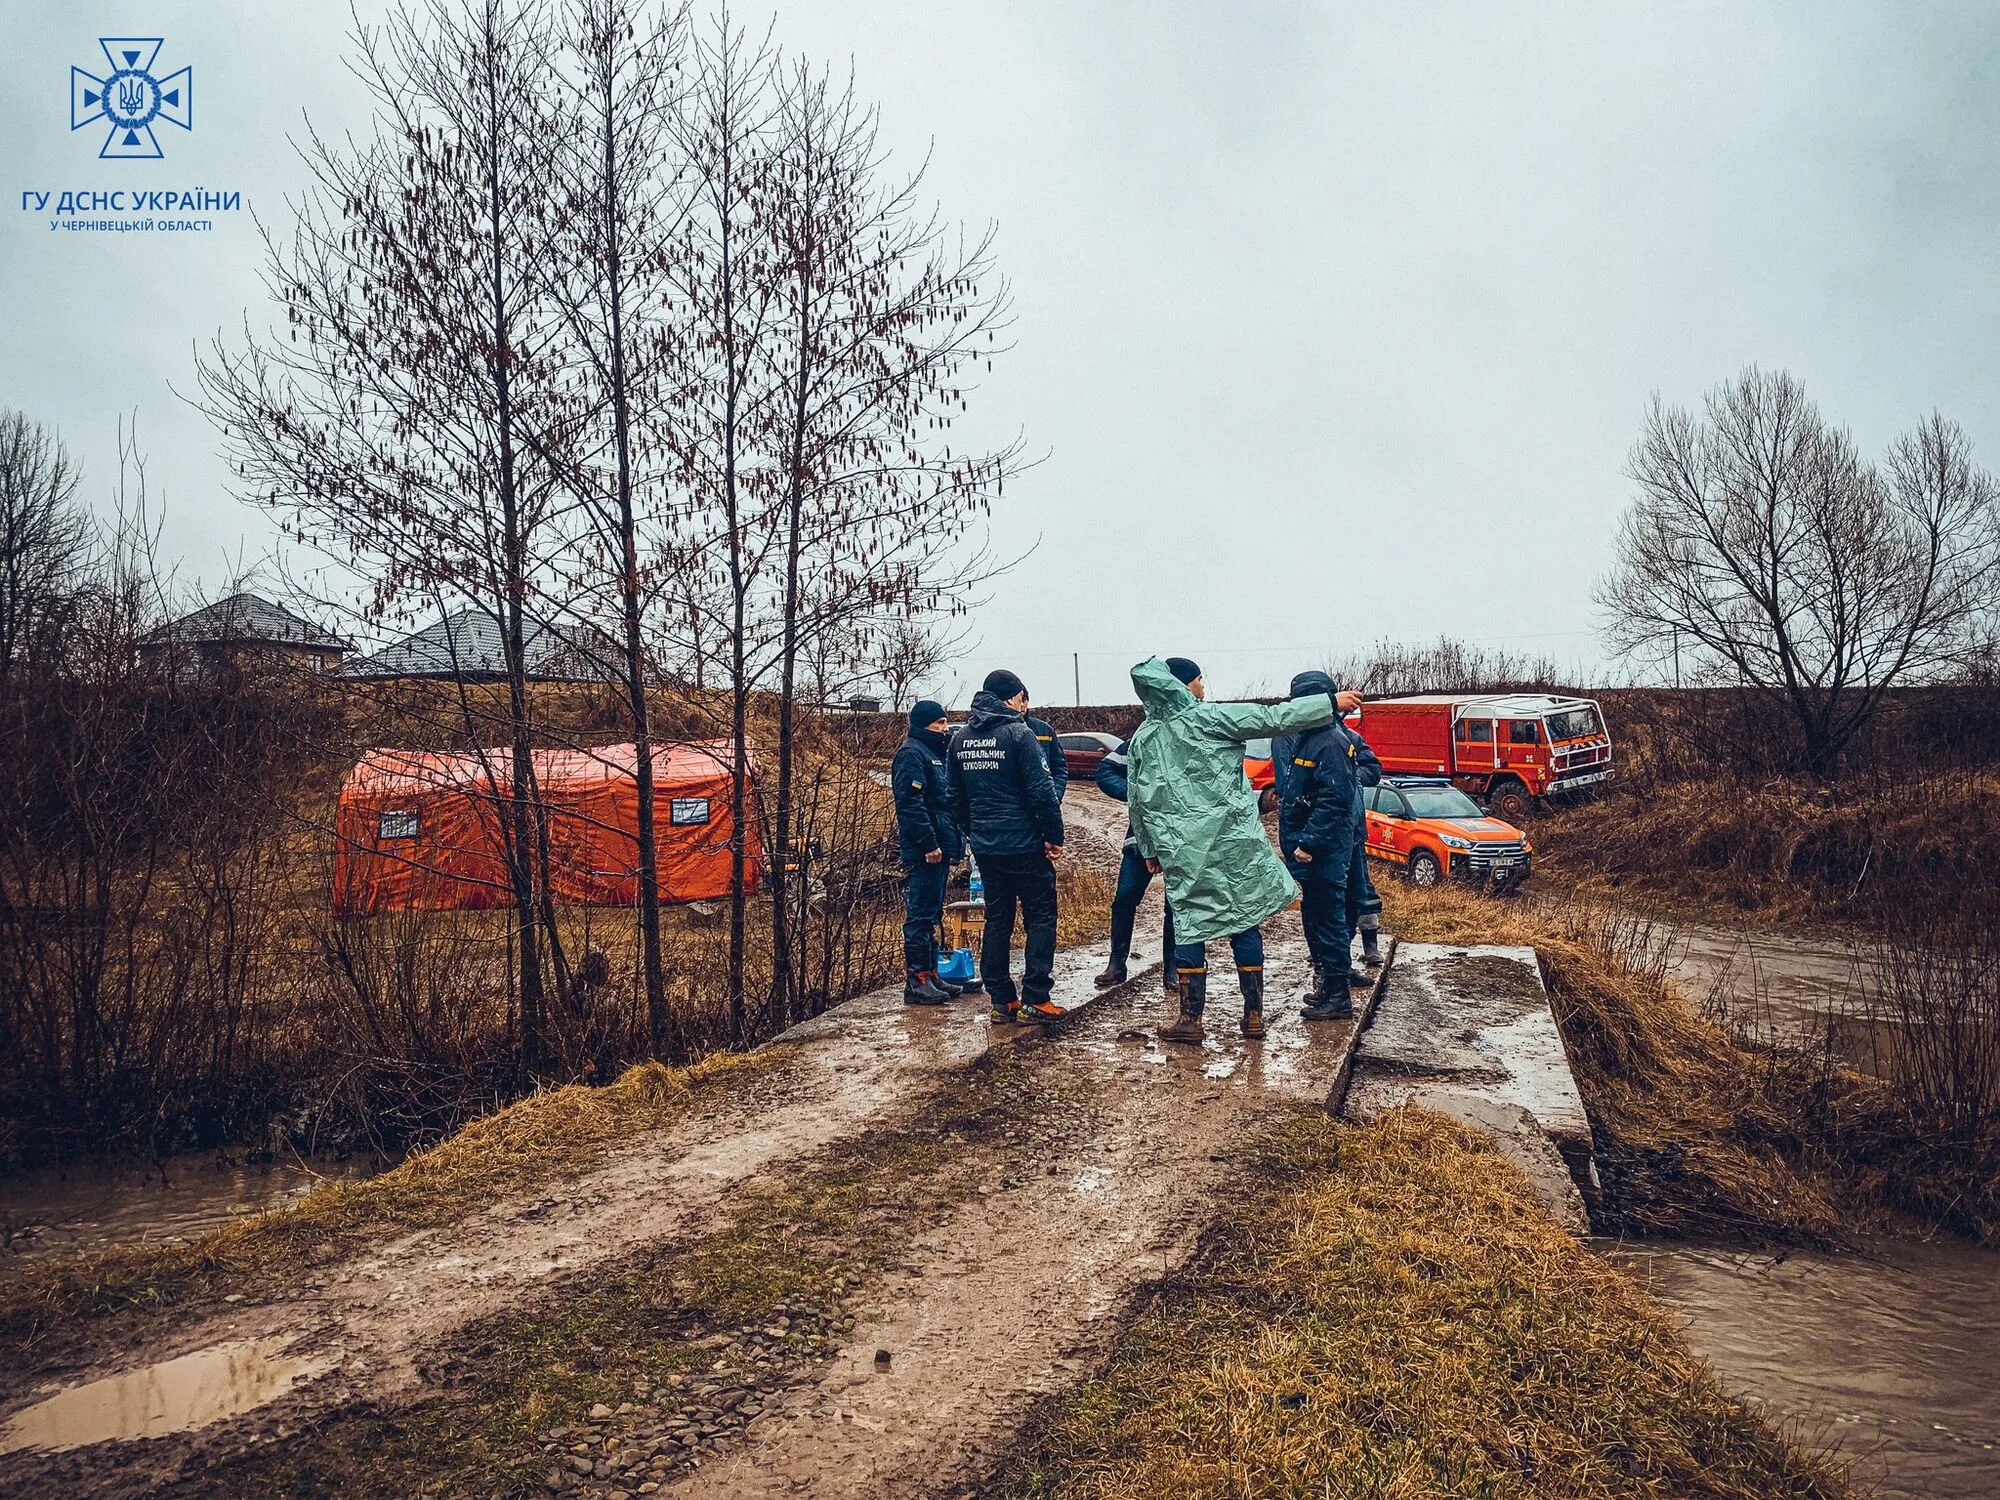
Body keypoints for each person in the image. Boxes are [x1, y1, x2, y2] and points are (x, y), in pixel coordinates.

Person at [1125, 656, 1336, 1043]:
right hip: (1233, 842)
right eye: (1200, 680)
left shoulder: (1144, 738)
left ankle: (1191, 1020)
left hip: (1183, 849)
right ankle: (1253, 1016)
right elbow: (1274, 718)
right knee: (1243, 919)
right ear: (1181, 685)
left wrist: (1149, 848)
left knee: (1189, 922)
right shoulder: (1210, 719)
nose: (1203, 687)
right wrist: (1330, 705)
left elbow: (1137, 799)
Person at [946, 669, 1067, 1025]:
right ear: (1010, 698)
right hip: (1026, 846)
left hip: (987, 848)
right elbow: (1042, 792)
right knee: (1041, 917)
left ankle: (1002, 1000)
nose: (1021, 704)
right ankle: (1036, 997)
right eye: (1019, 697)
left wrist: (974, 832)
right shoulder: (1019, 733)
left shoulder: (960, 739)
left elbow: (954, 798)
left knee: (998, 919)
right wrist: (1053, 836)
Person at [1272, 670, 1370, 1020]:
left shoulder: (1328, 740)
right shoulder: (1309, 737)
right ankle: (1329, 987)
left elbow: (1336, 799)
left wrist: (1309, 842)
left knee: (1329, 923)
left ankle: (1338, 997)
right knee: (1317, 919)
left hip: (1323, 852)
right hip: (1313, 851)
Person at [892, 699, 966, 1006]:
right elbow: (911, 805)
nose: (945, 729)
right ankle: (917, 980)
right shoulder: (912, 754)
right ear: (924, 726)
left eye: (946, 723)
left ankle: (933, 974)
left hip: (941, 844)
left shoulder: (936, 754)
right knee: (920, 915)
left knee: (932, 911)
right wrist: (928, 844)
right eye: (939, 724)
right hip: (925, 850)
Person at [1091, 735, 1176, 994]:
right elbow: (1105, 771)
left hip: (1181, 838)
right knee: (1124, 898)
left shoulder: (1191, 733)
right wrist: (1135, 793)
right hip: (1140, 837)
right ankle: (1117, 964)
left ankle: (1174, 968)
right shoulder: (1143, 736)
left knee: (1175, 906)